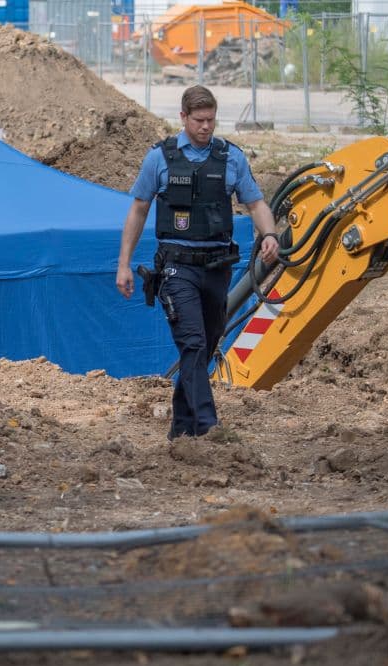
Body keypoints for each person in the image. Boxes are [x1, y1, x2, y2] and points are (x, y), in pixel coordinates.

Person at [116, 85, 279, 440]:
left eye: (211, 120)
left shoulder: (231, 158)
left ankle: (180, 428)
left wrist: (269, 235)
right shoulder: (159, 158)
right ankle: (208, 427)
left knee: (204, 345)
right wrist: (124, 263)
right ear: (184, 118)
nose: (206, 127)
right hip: (176, 268)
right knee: (191, 343)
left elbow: (256, 204)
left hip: (217, 268)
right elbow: (139, 209)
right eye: (199, 120)